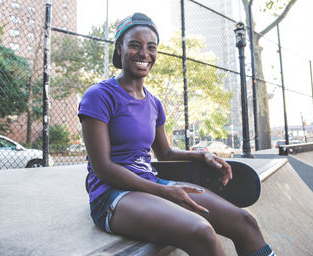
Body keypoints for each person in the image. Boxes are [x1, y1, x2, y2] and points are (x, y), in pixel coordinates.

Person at [78, 12, 275, 256]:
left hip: (151, 183)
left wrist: (202, 156)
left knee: (245, 222)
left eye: (151, 47)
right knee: (201, 232)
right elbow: (102, 168)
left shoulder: (154, 103)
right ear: (119, 48)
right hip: (112, 195)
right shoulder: (99, 95)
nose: (144, 54)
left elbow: (165, 152)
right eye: (135, 45)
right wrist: (164, 192)